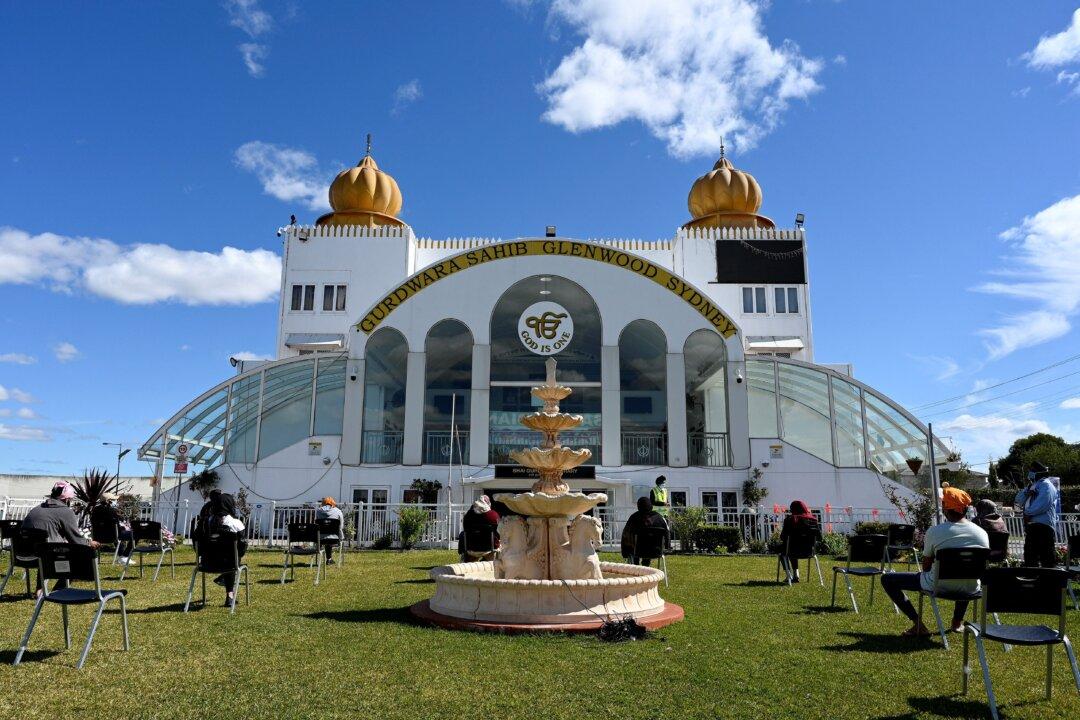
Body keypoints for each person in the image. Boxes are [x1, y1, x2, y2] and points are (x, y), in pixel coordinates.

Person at [880, 487, 989, 636]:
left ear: (946, 508)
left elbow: (925, 566)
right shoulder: (982, 533)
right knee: (964, 573)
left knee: (887, 579)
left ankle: (918, 625)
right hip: (971, 587)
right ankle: (957, 623)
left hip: (938, 585)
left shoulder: (935, 531)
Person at [196, 492, 246, 606]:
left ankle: (226, 583)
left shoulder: (204, 522)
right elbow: (241, 549)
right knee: (232, 560)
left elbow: (197, 542)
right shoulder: (235, 523)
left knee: (228, 560)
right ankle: (230, 595)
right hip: (229, 564)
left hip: (206, 563)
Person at [1014, 464, 1061, 567]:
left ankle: (1048, 581)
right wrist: (1027, 492)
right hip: (1032, 526)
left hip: (1044, 526)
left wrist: (1027, 513)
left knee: (1047, 558)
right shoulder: (1033, 485)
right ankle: (1032, 580)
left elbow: (1042, 504)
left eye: (1032, 471)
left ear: (1039, 473)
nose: (1029, 473)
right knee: (1030, 558)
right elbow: (1018, 500)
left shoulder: (1046, 485)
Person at [22, 481, 95, 547]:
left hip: (24, 553)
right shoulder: (65, 512)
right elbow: (76, 540)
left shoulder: (36, 509)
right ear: (67, 500)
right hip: (49, 555)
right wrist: (89, 543)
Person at [778, 500, 820, 582]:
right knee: (792, 548)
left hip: (792, 550)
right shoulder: (813, 520)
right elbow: (819, 537)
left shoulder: (789, 520)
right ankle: (795, 574)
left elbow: (783, 537)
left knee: (784, 551)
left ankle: (789, 575)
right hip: (810, 551)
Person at [620, 496, 669, 567]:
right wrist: (667, 547)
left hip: (637, 551)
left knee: (635, 547)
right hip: (656, 551)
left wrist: (625, 552)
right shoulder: (659, 518)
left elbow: (625, 535)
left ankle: (636, 567)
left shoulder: (634, 517)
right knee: (647, 545)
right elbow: (667, 534)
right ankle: (646, 566)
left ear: (638, 506)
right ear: (651, 505)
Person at [89, 492, 133, 564]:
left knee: (116, 536)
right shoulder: (112, 511)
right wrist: (123, 528)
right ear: (108, 501)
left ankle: (121, 555)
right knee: (135, 534)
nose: (115, 502)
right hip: (112, 536)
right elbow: (116, 527)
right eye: (113, 500)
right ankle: (125, 556)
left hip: (97, 537)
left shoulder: (95, 510)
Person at [459, 495, 500, 561]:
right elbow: (498, 531)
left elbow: (465, 528)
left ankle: (465, 559)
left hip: (471, 549)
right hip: (490, 549)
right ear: (488, 504)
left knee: (462, 534)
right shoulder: (493, 515)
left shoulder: (468, 515)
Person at [315, 496, 344, 563]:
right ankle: (329, 559)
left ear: (323, 503)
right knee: (329, 537)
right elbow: (341, 526)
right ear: (333, 503)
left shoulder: (318, 511)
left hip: (320, 538)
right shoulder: (338, 511)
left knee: (326, 536)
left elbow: (316, 524)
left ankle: (327, 559)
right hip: (335, 538)